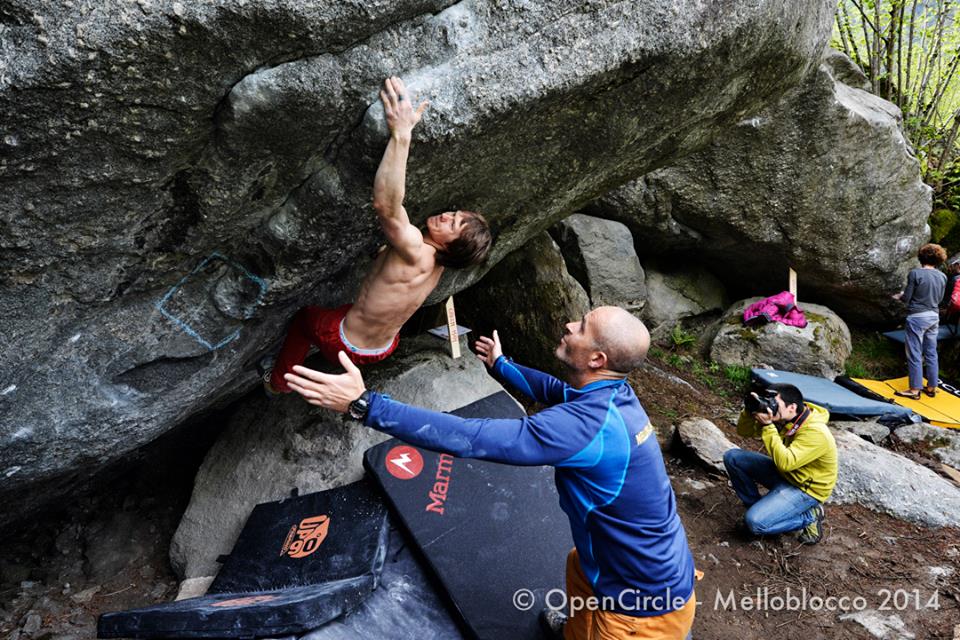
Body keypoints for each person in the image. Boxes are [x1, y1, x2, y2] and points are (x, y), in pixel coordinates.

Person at [283, 307, 699, 639]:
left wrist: (365, 405)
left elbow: (472, 438)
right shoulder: (613, 395)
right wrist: (502, 365)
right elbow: (554, 391)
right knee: (578, 566)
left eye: (582, 325)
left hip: (637, 610)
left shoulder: (585, 429)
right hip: (630, 564)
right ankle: (575, 629)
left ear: (597, 358)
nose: (570, 324)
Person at [265, 77, 493, 393]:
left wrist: (401, 135)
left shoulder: (415, 247)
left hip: (342, 340)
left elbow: (385, 204)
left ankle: (279, 383)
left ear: (449, 245)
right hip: (383, 347)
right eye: (454, 214)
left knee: (306, 320)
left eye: (451, 224)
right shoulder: (437, 264)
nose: (445, 215)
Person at [723, 384, 837, 545]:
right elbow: (744, 432)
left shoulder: (816, 432)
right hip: (786, 474)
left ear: (792, 407)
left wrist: (768, 427)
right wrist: (749, 411)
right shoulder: (786, 417)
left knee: (754, 524)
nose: (771, 407)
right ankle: (758, 507)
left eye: (775, 404)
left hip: (804, 488)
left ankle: (809, 516)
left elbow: (785, 463)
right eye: (769, 401)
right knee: (733, 458)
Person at [892, 243, 948, 399]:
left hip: (917, 317)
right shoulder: (942, 276)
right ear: (939, 259)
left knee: (914, 353)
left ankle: (915, 390)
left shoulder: (915, 273)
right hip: (934, 317)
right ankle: (931, 387)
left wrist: (899, 296)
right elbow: (940, 299)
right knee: (931, 352)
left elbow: (907, 298)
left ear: (920, 257)